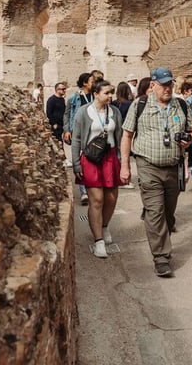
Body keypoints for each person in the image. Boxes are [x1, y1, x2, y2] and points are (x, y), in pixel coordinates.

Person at [120, 66, 192, 277]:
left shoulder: (180, 104)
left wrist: (188, 141)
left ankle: (163, 233)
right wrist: (125, 165)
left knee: (168, 212)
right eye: (163, 84)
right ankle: (161, 257)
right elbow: (127, 136)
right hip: (148, 165)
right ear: (153, 85)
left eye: (170, 84)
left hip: (173, 166)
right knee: (155, 211)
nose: (168, 88)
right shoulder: (140, 105)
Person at [71, 80, 123, 258]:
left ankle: (104, 225)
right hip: (91, 158)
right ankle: (98, 240)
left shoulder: (115, 112)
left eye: (111, 93)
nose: (110, 96)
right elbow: (77, 139)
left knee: (111, 197)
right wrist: (76, 163)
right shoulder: (83, 112)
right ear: (96, 94)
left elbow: (120, 136)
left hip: (110, 157)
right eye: (107, 93)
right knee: (97, 199)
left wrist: (122, 161)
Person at [63, 72, 94, 205]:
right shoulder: (73, 98)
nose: (94, 83)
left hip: (93, 132)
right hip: (78, 131)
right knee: (80, 160)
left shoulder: (95, 96)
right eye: (92, 81)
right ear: (85, 83)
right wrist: (66, 130)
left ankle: (93, 187)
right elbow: (67, 114)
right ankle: (84, 192)